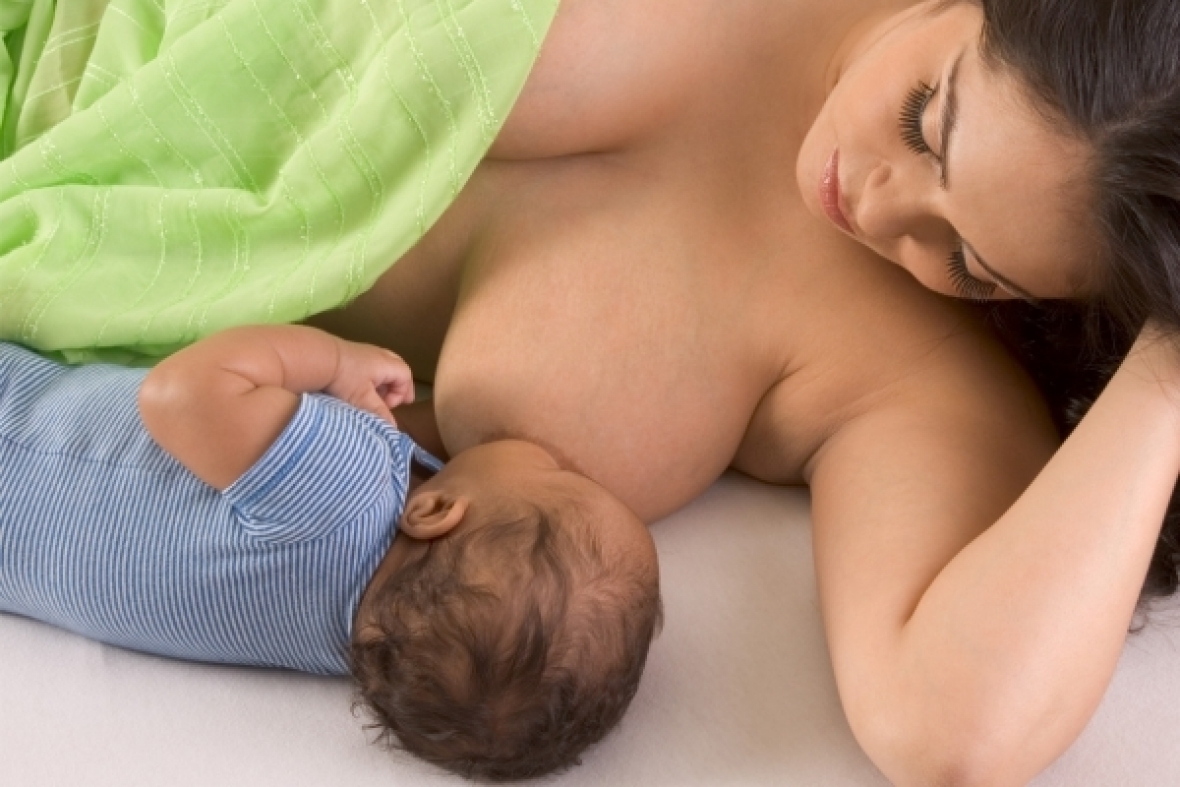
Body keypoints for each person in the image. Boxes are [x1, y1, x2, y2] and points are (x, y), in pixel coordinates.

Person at [2, 0, 1178, 783]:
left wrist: (1169, 361)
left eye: (969, 259)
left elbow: (951, 730)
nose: (876, 205)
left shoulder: (903, 369)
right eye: (925, 118)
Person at [0, 324, 662, 781]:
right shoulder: (347, 644)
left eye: (560, 475)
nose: (560, 455)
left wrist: (336, 362)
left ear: (435, 511)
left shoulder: (348, 486)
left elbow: (179, 393)